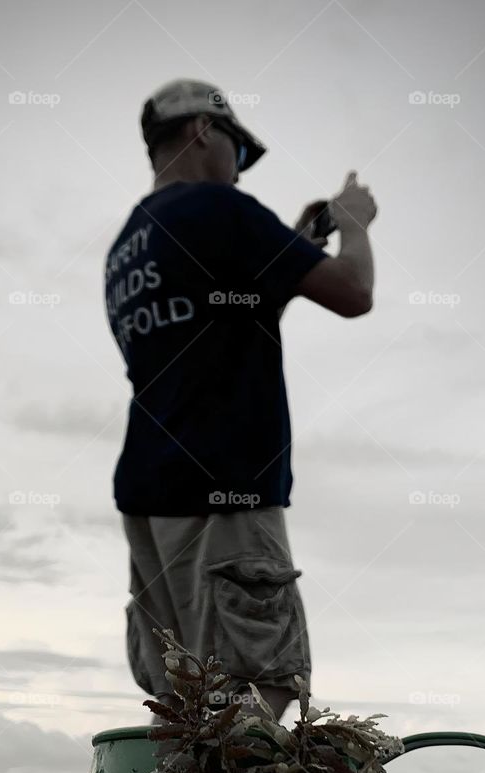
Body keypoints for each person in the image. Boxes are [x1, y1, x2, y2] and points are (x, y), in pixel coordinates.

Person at [103, 78, 377, 725]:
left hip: (150, 497)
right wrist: (356, 226)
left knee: (185, 701)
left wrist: (299, 237)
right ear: (203, 131)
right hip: (225, 485)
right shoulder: (221, 209)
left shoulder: (128, 245)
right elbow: (352, 292)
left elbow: (230, 309)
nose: (238, 167)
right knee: (263, 683)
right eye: (238, 149)